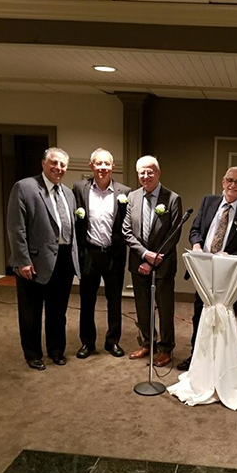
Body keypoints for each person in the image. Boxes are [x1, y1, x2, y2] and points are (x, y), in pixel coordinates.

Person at [177, 166, 237, 371]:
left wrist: (230, 256)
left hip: (229, 274)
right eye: (230, 180)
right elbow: (195, 229)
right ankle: (196, 357)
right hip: (204, 270)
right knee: (200, 314)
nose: (233, 185)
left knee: (225, 317)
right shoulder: (208, 201)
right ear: (223, 181)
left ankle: (221, 361)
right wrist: (196, 245)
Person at [7, 147, 80, 370]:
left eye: (63, 165)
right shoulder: (25, 187)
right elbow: (16, 228)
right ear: (43, 163)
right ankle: (32, 354)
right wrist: (22, 260)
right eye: (54, 163)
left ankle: (56, 350)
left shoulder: (68, 193)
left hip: (64, 261)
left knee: (58, 311)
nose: (59, 168)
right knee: (31, 312)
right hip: (34, 262)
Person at [123, 155, 182, 367]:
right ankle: (148, 343)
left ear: (158, 173)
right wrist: (144, 255)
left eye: (150, 171)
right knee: (142, 306)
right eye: (142, 172)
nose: (145, 176)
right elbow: (127, 231)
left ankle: (166, 348)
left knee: (165, 309)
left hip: (163, 264)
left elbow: (174, 234)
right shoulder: (132, 197)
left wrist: (153, 259)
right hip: (138, 263)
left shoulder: (173, 199)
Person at [73, 148, 131, 359]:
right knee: (87, 300)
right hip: (89, 252)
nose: (103, 167)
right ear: (91, 166)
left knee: (114, 300)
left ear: (113, 167)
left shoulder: (125, 191)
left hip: (114, 254)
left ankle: (112, 342)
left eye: (107, 164)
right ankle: (87, 343)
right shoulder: (79, 188)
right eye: (98, 163)